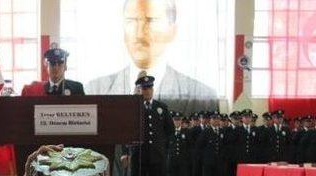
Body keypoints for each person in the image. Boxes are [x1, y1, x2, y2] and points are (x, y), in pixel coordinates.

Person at [86, 0, 218, 114]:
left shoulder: (205, 97)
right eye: (131, 21)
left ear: (172, 31)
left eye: (151, 20)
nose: (139, 34)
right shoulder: (94, 89)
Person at [123, 75, 174, 176]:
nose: (147, 91)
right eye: (144, 88)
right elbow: (126, 132)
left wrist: (162, 150)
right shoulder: (133, 109)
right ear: (139, 90)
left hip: (157, 159)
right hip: (139, 157)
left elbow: (170, 131)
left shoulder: (161, 107)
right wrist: (126, 153)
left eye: (149, 88)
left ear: (153, 89)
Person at [21, 46, 85, 96]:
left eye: (60, 63)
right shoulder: (36, 91)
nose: (56, 67)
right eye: (52, 63)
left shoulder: (76, 88)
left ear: (65, 67)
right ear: (47, 67)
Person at [166, 111, 190, 176]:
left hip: (183, 159)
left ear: (181, 121)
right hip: (172, 158)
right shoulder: (169, 132)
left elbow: (189, 146)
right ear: (173, 121)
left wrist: (187, 157)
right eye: (175, 120)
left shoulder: (186, 132)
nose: (177, 122)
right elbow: (165, 145)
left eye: (179, 120)